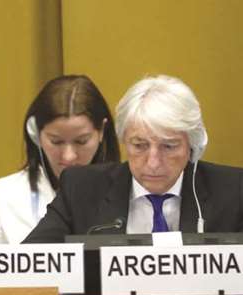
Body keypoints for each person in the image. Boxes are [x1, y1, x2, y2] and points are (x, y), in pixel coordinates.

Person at [23, 75, 243, 243]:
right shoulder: (81, 189)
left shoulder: (233, 192)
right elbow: (31, 263)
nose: (153, 162)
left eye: (169, 146)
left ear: (193, 146)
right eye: (139, 146)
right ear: (124, 140)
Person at [0, 75, 120, 244]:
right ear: (35, 133)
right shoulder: (2, 196)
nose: (69, 156)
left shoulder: (130, 191)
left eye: (81, 141)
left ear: (102, 131)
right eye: (56, 141)